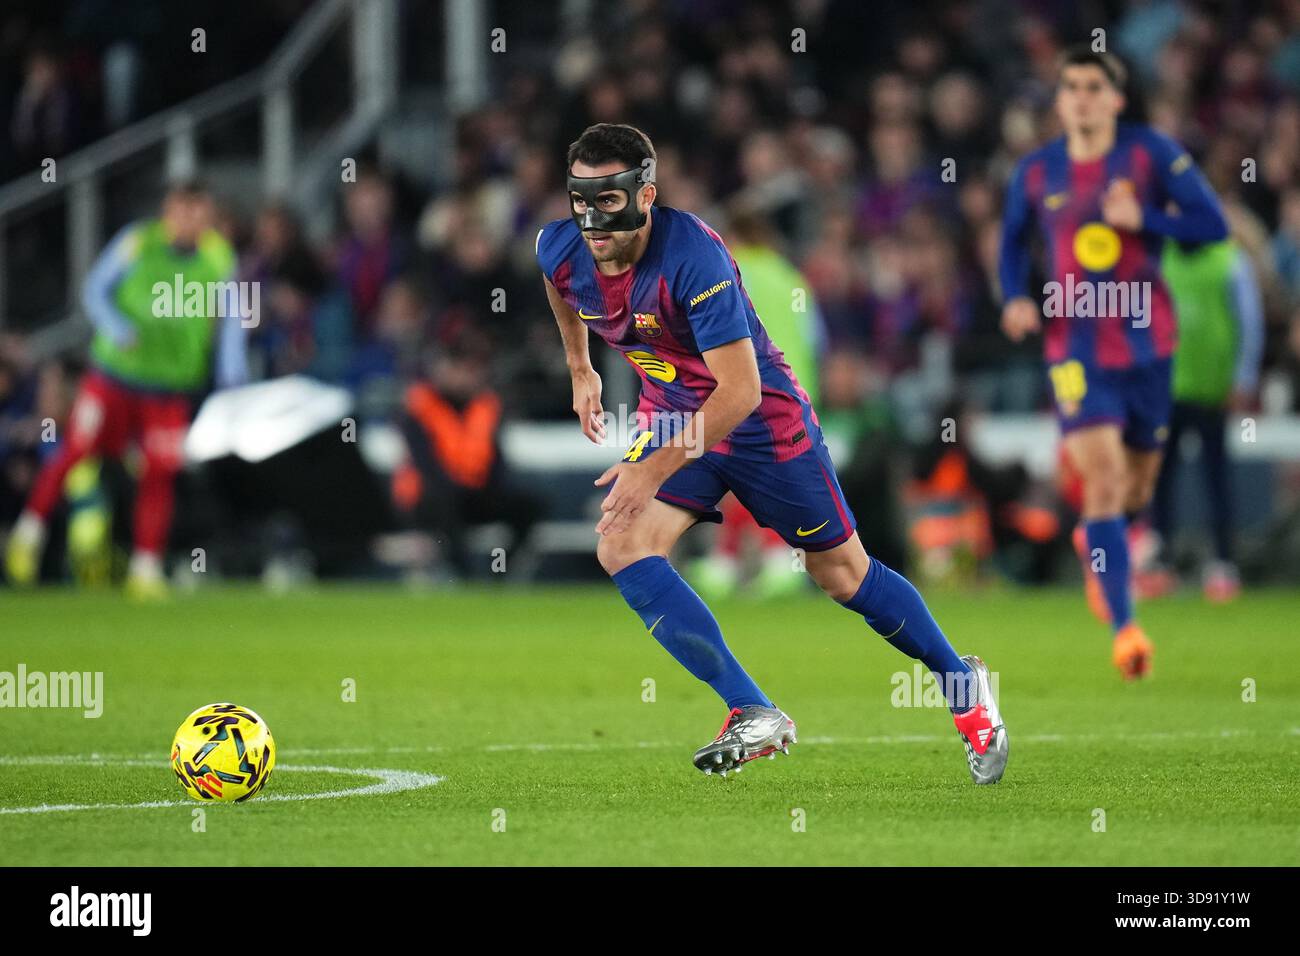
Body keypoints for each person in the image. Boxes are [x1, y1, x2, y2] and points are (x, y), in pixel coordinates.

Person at [539, 123, 1007, 783]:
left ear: (645, 194)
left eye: (608, 200)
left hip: (760, 421)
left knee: (841, 575)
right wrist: (580, 369)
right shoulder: (559, 246)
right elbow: (562, 289)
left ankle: (964, 685)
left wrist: (650, 467)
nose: (592, 219)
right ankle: (751, 709)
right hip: (675, 413)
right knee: (620, 542)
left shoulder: (691, 256)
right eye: (580, 199)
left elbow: (739, 393)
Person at [998, 47, 1227, 679]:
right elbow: (1012, 243)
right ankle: (1127, 630)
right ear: (1061, 99)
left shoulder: (1151, 155)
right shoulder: (1038, 171)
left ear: (1117, 100)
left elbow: (1214, 225)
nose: (1081, 97)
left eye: (1094, 86)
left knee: (1136, 488)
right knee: (1101, 480)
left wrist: (1147, 217)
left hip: (1149, 345)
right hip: (1073, 348)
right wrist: (1016, 296)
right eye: (1070, 86)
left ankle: (1099, 544)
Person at [4, 181, 247, 597]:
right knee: (76, 451)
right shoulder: (136, 243)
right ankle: (29, 533)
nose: (191, 222)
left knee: (159, 472)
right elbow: (94, 290)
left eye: (199, 214)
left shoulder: (220, 258)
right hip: (114, 379)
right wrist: (117, 328)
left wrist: (234, 377)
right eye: (184, 212)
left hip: (169, 388)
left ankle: (145, 568)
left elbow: (234, 321)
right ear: (168, 211)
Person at [1149, 237, 1264, 601]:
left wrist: (1243, 378)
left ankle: (1223, 564)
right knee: (1159, 480)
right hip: (1166, 390)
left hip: (1213, 391)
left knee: (1215, 478)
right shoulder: (1158, 257)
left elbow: (1250, 322)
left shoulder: (1229, 260)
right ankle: (1162, 561)